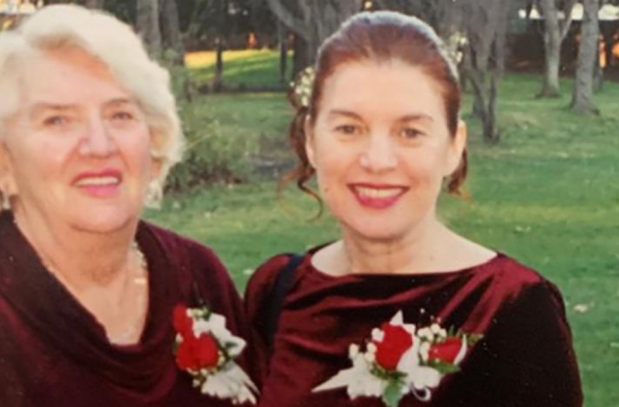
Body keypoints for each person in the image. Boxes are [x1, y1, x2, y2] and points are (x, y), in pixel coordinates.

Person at [0, 5, 256, 407]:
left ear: (154, 142)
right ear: (2, 161)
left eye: (120, 114)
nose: (100, 145)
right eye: (58, 120)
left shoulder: (199, 276)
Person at [245, 11, 582, 407]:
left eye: (410, 132)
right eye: (349, 129)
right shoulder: (278, 292)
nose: (377, 159)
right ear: (311, 140)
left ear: (454, 147)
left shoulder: (511, 308)